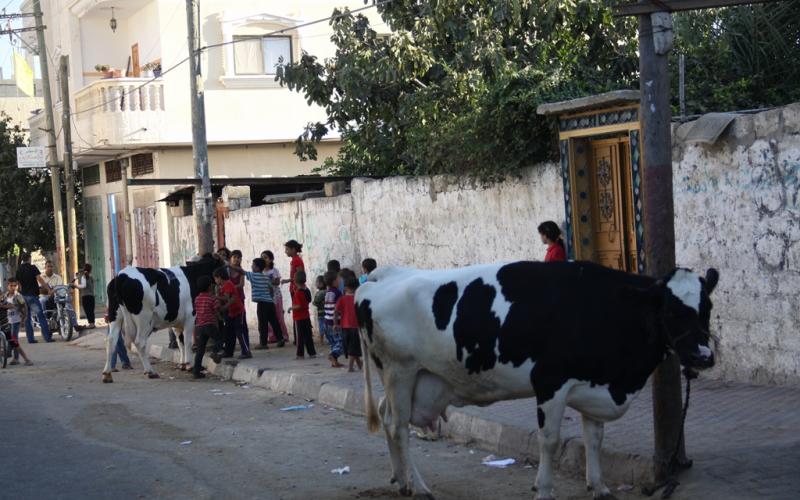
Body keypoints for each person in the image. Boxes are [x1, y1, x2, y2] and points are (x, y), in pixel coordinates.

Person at [243, 258, 285, 350]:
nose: (251, 266)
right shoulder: (266, 277)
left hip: (262, 304)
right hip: (270, 303)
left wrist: (230, 266)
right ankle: (280, 339)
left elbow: (242, 271)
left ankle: (263, 343)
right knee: (274, 322)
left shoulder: (253, 276)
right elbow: (270, 289)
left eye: (253, 265)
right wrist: (269, 297)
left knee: (263, 323)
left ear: (257, 268)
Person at [15, 253, 53, 343]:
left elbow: (18, 285)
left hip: (23, 297)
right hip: (33, 296)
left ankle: (31, 339)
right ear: (29, 258)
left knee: (27, 318)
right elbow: (39, 279)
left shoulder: (19, 270)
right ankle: (47, 337)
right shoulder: (33, 268)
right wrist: (48, 289)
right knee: (41, 316)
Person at [215, 267, 250, 359]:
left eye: (215, 278)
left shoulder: (228, 284)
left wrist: (216, 297)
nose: (215, 281)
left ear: (219, 277)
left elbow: (227, 298)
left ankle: (246, 351)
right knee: (229, 332)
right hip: (231, 312)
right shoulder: (222, 287)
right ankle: (228, 351)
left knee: (239, 332)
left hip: (238, 312)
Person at [193, 275, 223, 379]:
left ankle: (196, 371)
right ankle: (214, 353)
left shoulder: (197, 299)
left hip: (200, 327)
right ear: (210, 287)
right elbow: (217, 308)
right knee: (219, 340)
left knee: (200, 350)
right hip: (210, 324)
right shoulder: (212, 298)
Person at [2, 278, 34, 365]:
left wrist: (24, 319)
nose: (13, 287)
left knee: (14, 339)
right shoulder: (6, 295)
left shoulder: (18, 296)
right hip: (8, 321)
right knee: (11, 339)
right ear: (7, 286)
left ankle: (15, 357)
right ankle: (12, 355)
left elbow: (24, 307)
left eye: (14, 286)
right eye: (11, 285)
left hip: (16, 320)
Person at [335, 277, 363, 372]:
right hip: (356, 326)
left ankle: (354, 366)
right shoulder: (358, 298)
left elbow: (335, 311)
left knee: (350, 347)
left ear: (345, 288)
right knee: (353, 347)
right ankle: (356, 366)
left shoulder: (342, 299)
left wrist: (335, 324)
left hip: (345, 327)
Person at [261, 250, 288, 344]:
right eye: (262, 257)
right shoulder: (260, 272)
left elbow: (277, 282)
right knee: (268, 318)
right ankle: (272, 337)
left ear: (271, 259)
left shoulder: (274, 270)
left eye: (266, 257)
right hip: (266, 297)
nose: (264, 259)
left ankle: (283, 335)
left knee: (279, 316)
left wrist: (269, 280)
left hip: (276, 296)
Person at [282, 240, 305, 344]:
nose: (285, 251)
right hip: (294, 288)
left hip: (296, 289)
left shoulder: (296, 260)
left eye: (287, 249)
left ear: (293, 249)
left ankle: (299, 338)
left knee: (297, 313)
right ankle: (298, 338)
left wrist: (288, 280)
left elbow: (300, 275)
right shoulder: (294, 260)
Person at [290, 271, 315, 359]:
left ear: (295, 281)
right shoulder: (306, 291)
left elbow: (299, 305)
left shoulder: (298, 293)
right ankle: (312, 353)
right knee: (308, 336)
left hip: (299, 318)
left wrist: (291, 308)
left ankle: (300, 355)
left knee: (299, 337)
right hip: (306, 317)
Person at [227, 250, 249, 351]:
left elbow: (241, 284)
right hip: (229, 300)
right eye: (234, 257)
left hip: (239, 300)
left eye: (239, 257)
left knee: (241, 324)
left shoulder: (241, 271)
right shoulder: (227, 271)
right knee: (230, 325)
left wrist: (230, 288)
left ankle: (246, 348)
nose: (236, 259)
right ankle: (230, 349)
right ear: (230, 258)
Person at [322, 271, 343, 367]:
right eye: (339, 280)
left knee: (333, 343)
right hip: (335, 322)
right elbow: (337, 309)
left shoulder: (327, 292)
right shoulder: (338, 293)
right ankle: (333, 355)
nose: (340, 281)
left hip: (326, 321)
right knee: (341, 343)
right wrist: (336, 323)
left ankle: (334, 361)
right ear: (334, 282)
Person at [74, 263, 97, 329]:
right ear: (90, 270)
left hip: (85, 296)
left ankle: (91, 324)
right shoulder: (91, 277)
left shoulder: (84, 276)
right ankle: (92, 323)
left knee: (87, 310)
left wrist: (76, 286)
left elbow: (83, 286)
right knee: (91, 310)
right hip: (91, 296)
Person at [312, 275, 327, 343]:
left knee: (321, 327)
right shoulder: (327, 291)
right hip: (327, 313)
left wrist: (314, 302)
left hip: (321, 313)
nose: (316, 284)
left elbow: (315, 302)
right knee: (327, 326)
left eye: (317, 282)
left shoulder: (320, 293)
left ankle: (321, 340)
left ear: (321, 284)